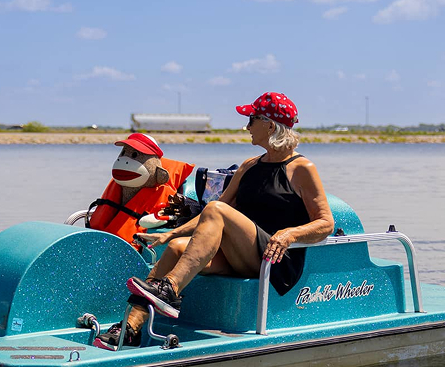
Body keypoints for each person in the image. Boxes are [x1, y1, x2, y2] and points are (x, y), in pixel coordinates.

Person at [94, 92, 335, 350]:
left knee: (217, 209)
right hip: (244, 254)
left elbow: (325, 223)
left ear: (270, 125)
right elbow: (209, 214)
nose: (247, 126)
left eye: (252, 119)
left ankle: (170, 289)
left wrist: (290, 235)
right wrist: (169, 235)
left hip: (275, 261)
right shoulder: (249, 166)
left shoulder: (301, 168)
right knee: (177, 248)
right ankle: (131, 327)